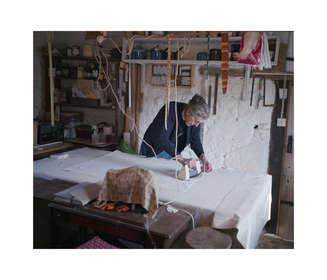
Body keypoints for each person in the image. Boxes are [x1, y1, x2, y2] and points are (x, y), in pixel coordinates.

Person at [139, 94, 212, 172]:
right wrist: (182, 159)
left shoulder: (195, 121)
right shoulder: (170, 109)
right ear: (188, 112)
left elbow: (195, 140)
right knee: (147, 173)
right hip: (153, 148)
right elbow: (162, 138)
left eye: (199, 123)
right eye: (196, 121)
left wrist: (203, 159)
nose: (197, 125)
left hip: (173, 153)